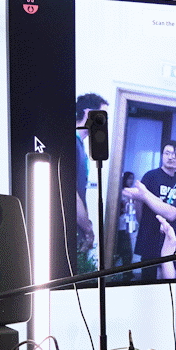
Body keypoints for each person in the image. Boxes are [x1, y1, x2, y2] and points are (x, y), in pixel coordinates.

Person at [123, 142, 176, 280]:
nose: (171, 157)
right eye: (167, 153)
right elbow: (138, 202)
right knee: (148, 276)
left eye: (174, 154)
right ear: (162, 155)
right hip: (150, 234)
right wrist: (143, 222)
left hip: (171, 234)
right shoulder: (151, 176)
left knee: (169, 273)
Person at [74, 93, 108, 253]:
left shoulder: (80, 146)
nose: (103, 123)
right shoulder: (72, 144)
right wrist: (88, 229)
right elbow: (69, 194)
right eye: (102, 116)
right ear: (88, 113)